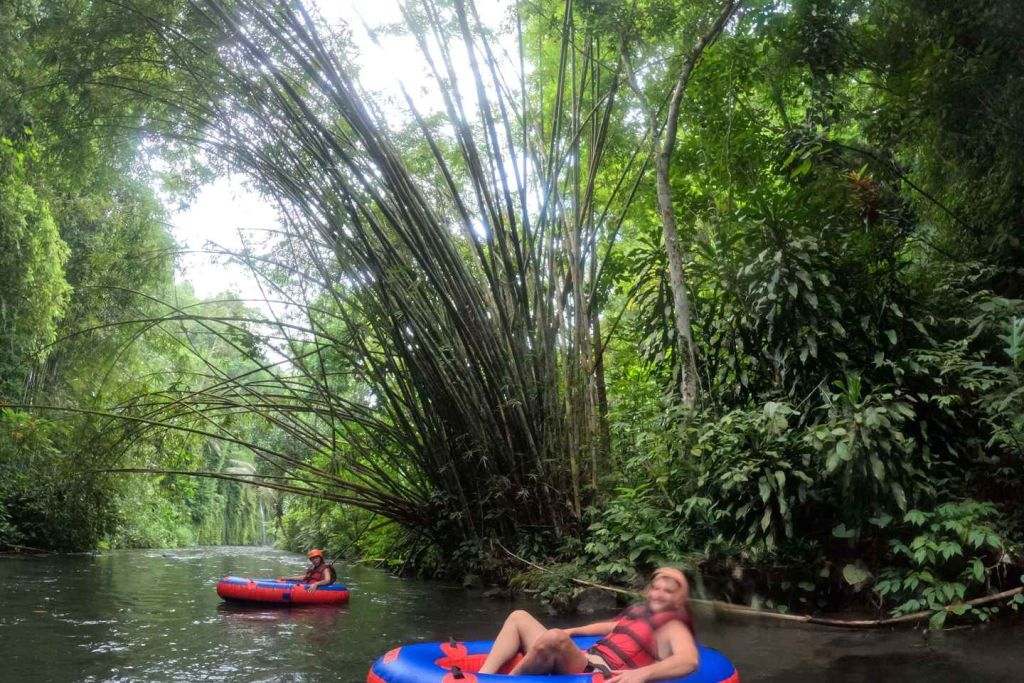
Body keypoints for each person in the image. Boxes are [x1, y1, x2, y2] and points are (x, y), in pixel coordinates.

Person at [478, 567, 699, 683]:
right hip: (587, 659)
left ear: (679, 599)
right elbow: (611, 627)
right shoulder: (641, 612)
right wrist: (573, 630)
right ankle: (481, 677)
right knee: (519, 617)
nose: (659, 594)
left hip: (601, 675)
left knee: (555, 638)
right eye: (656, 588)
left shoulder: (673, 626)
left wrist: (642, 674)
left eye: (668, 591)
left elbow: (689, 660)